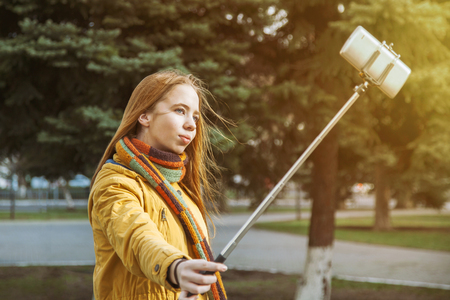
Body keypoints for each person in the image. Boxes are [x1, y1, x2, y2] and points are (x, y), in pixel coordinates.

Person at [88, 70, 228, 300]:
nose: (192, 125)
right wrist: (175, 267)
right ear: (145, 116)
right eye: (180, 110)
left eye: (195, 117)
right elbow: (137, 237)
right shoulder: (114, 182)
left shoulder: (181, 190)